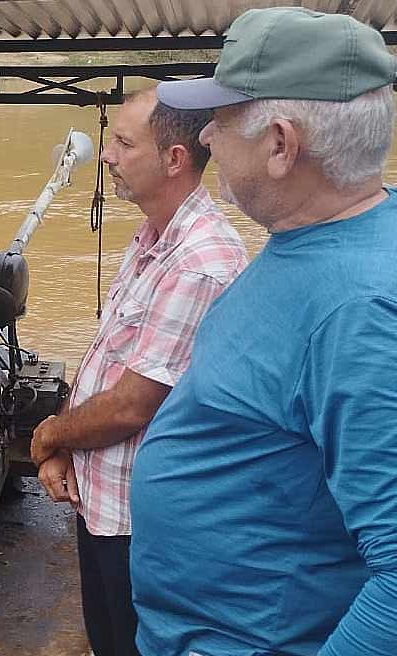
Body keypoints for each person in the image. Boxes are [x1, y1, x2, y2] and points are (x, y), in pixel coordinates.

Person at [130, 7, 397, 656]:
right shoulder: (324, 240)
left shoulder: (359, 311)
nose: (207, 142)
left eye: (218, 124)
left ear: (280, 144)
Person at [29, 87, 247, 656]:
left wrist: (49, 434)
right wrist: (62, 449)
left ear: (175, 159)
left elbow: (131, 404)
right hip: (101, 501)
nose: (105, 155)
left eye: (123, 143)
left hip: (143, 521)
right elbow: (107, 357)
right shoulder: (152, 236)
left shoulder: (201, 263)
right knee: (105, 638)